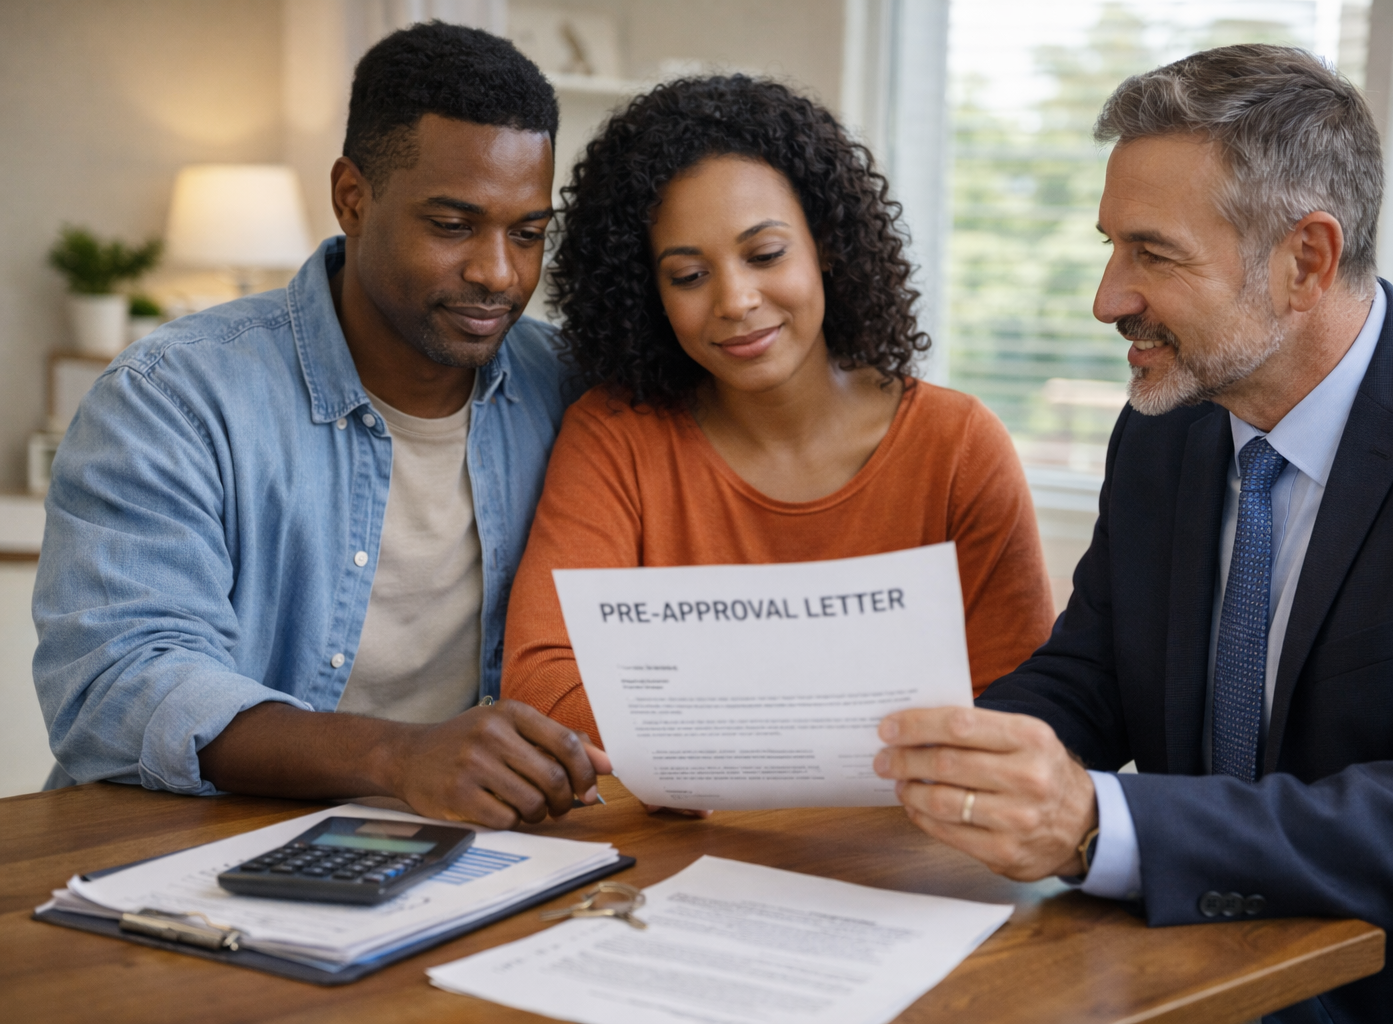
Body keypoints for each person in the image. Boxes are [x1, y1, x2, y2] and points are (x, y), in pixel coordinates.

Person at [873, 45, 1393, 1023]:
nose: (1108, 297)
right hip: (1182, 980)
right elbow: (1089, 680)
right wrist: (942, 752)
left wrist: (1101, 822)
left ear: (1305, 259)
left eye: (1152, 252)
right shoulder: (1167, 429)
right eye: (1110, 247)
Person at [32, 22, 608, 829]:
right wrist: (400, 757)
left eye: (528, 233)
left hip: (474, 856)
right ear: (353, 199)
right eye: (452, 225)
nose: (498, 274)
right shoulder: (174, 395)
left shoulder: (572, 389)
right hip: (192, 850)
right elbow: (122, 682)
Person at [501, 77, 1056, 755]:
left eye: (765, 255)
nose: (735, 300)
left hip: (909, 849)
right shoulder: (616, 436)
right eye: (687, 276)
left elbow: (1018, 706)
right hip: (679, 848)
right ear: (647, 293)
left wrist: (700, 717)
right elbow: (544, 687)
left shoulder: (958, 446)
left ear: (826, 244)